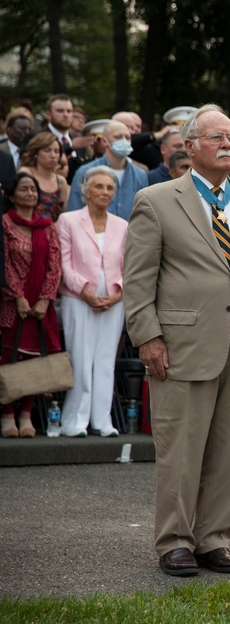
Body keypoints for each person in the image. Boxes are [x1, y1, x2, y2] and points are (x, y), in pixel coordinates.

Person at [123, 104, 230, 577]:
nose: (229, 144)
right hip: (182, 346)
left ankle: (214, 539)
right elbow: (137, 279)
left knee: (228, 452)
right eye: (217, 137)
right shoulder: (157, 200)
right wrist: (147, 337)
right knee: (181, 452)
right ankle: (174, 541)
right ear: (189, 146)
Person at [55, 167, 128, 437]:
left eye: (110, 188)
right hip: (78, 299)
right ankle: (74, 420)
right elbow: (63, 263)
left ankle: (102, 420)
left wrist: (118, 294)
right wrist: (85, 292)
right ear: (85, 191)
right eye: (99, 187)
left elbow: (128, 266)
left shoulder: (122, 225)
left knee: (106, 358)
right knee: (81, 359)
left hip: (113, 299)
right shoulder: (68, 220)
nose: (105, 192)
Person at [0, 174, 62, 439]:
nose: (30, 193)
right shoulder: (4, 224)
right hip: (12, 304)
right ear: (12, 196)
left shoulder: (47, 226)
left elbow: (55, 265)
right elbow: (4, 264)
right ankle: (7, 416)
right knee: (9, 359)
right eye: (23, 189)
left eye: (33, 189)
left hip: (40, 305)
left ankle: (26, 415)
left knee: (35, 359)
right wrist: (18, 296)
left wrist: (45, 298)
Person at [68, 121, 148, 221]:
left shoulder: (140, 175)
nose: (124, 141)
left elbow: (143, 213)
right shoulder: (85, 172)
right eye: (118, 137)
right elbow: (74, 210)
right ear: (104, 141)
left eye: (127, 138)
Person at [19, 132, 69, 221]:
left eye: (56, 151)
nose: (53, 155)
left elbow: (64, 214)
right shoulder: (26, 173)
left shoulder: (61, 181)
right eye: (47, 150)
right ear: (36, 153)